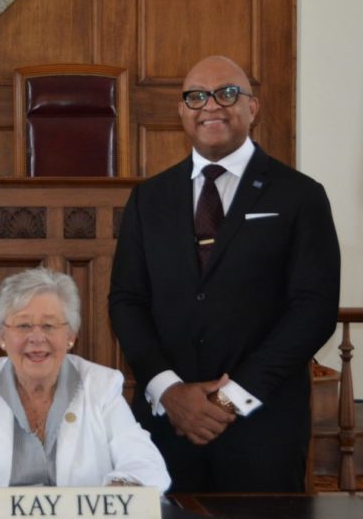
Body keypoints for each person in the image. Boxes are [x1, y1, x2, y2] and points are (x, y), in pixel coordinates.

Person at [108, 55, 340, 493]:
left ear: (253, 107)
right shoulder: (147, 199)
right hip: (166, 426)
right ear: (181, 112)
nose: (210, 106)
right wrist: (170, 392)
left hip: (262, 426)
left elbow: (314, 310)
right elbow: (126, 301)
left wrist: (228, 400)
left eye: (226, 93)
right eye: (196, 96)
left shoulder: (300, 196)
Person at [0, 267, 170, 501]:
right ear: (1, 336)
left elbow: (147, 464)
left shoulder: (101, 385)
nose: (37, 338)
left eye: (50, 326)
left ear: (71, 335)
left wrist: (118, 491)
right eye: (23, 325)